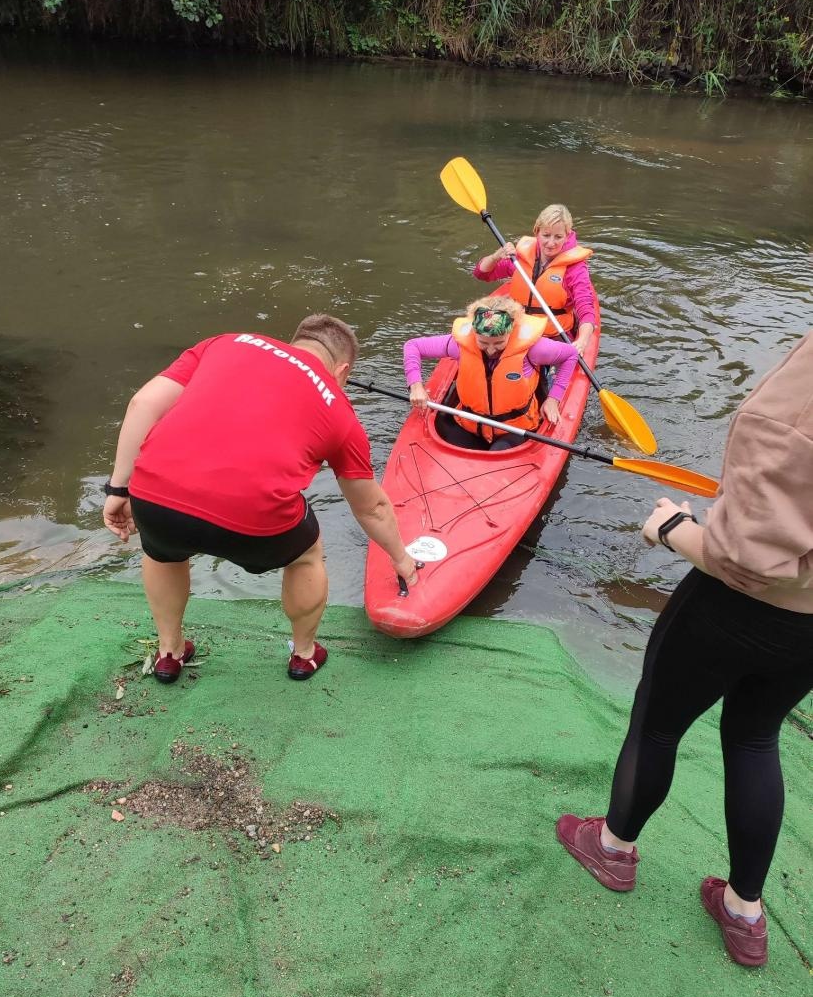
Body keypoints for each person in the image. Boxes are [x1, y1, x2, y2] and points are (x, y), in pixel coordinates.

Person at [556, 330, 813, 967]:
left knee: (657, 724)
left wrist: (674, 528)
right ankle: (745, 912)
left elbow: (748, 564)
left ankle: (613, 849)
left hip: (737, 609)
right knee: (755, 738)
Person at [102, 315, 418, 684]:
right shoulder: (337, 406)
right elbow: (371, 507)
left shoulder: (224, 342)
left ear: (295, 341)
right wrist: (402, 559)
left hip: (154, 495)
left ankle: (169, 652)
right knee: (306, 554)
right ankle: (303, 654)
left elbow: (142, 404)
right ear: (343, 370)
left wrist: (118, 489)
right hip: (254, 522)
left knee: (162, 551)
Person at [405, 296, 579, 451]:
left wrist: (553, 399)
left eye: (498, 343)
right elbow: (413, 346)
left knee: (499, 451)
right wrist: (416, 386)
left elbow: (571, 355)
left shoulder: (534, 348)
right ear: (474, 332)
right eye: (483, 342)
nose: (490, 349)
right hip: (468, 424)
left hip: (515, 429)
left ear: (511, 330)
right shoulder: (459, 344)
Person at [474, 204, 598, 358]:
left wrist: (582, 341)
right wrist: (495, 257)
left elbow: (585, 307)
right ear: (537, 232)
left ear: (567, 236)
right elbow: (482, 273)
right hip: (515, 328)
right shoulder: (522, 256)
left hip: (553, 335)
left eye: (558, 237)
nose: (551, 243)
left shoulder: (575, 267)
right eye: (546, 235)